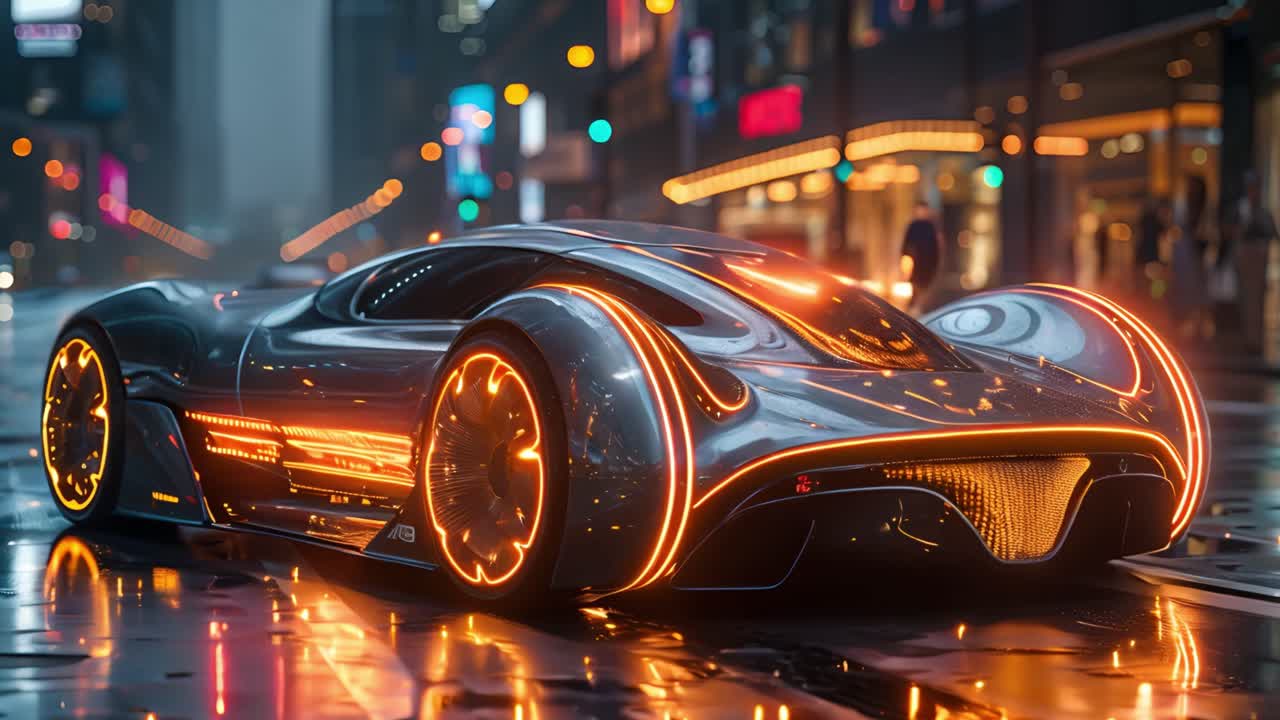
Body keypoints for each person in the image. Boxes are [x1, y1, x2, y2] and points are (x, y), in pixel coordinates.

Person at [1227, 171, 1280, 353]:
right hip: (1244, 260)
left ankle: (1255, 340)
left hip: (1258, 260)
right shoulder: (1241, 210)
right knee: (1245, 301)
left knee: (1256, 302)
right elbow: (1231, 232)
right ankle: (1247, 340)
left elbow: (1272, 233)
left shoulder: (1263, 212)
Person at [1170, 175, 1213, 339]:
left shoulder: (1204, 209)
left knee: (1198, 290)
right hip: (1187, 253)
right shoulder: (1183, 205)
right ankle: (1188, 324)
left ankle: (1199, 325)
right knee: (1187, 289)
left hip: (1199, 253)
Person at [900, 204, 941, 312]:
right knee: (915, 286)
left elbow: (935, 247)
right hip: (915, 262)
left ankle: (921, 307)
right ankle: (914, 307)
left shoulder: (930, 227)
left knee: (924, 285)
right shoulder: (913, 226)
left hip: (927, 262)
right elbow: (906, 245)